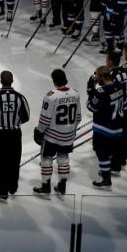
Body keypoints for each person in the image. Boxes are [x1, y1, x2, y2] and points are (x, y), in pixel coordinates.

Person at [33, 69, 80, 197]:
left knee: (46, 158)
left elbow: (45, 119)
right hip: (68, 136)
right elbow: (78, 117)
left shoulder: (51, 96)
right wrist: (71, 130)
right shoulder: (75, 93)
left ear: (54, 80)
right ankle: (62, 186)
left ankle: (46, 186)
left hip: (52, 136)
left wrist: (39, 131)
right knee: (63, 158)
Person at [0, 70, 30, 202]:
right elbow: (26, 116)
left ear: (0, 81)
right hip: (14, 134)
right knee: (14, 161)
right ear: (12, 81)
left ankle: (2, 191)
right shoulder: (20, 98)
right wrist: (15, 123)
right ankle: (13, 187)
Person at [87, 66, 124, 190]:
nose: (96, 79)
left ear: (102, 77)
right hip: (117, 127)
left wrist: (91, 91)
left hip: (103, 129)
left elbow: (91, 107)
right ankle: (107, 172)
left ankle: (106, 179)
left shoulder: (101, 92)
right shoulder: (119, 86)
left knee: (101, 153)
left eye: (97, 76)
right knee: (108, 154)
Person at [105, 50, 127, 173]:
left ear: (110, 61)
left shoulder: (112, 76)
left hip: (117, 110)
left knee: (115, 137)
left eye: (107, 59)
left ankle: (115, 166)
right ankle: (124, 158)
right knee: (125, 135)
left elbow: (111, 95)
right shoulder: (126, 72)